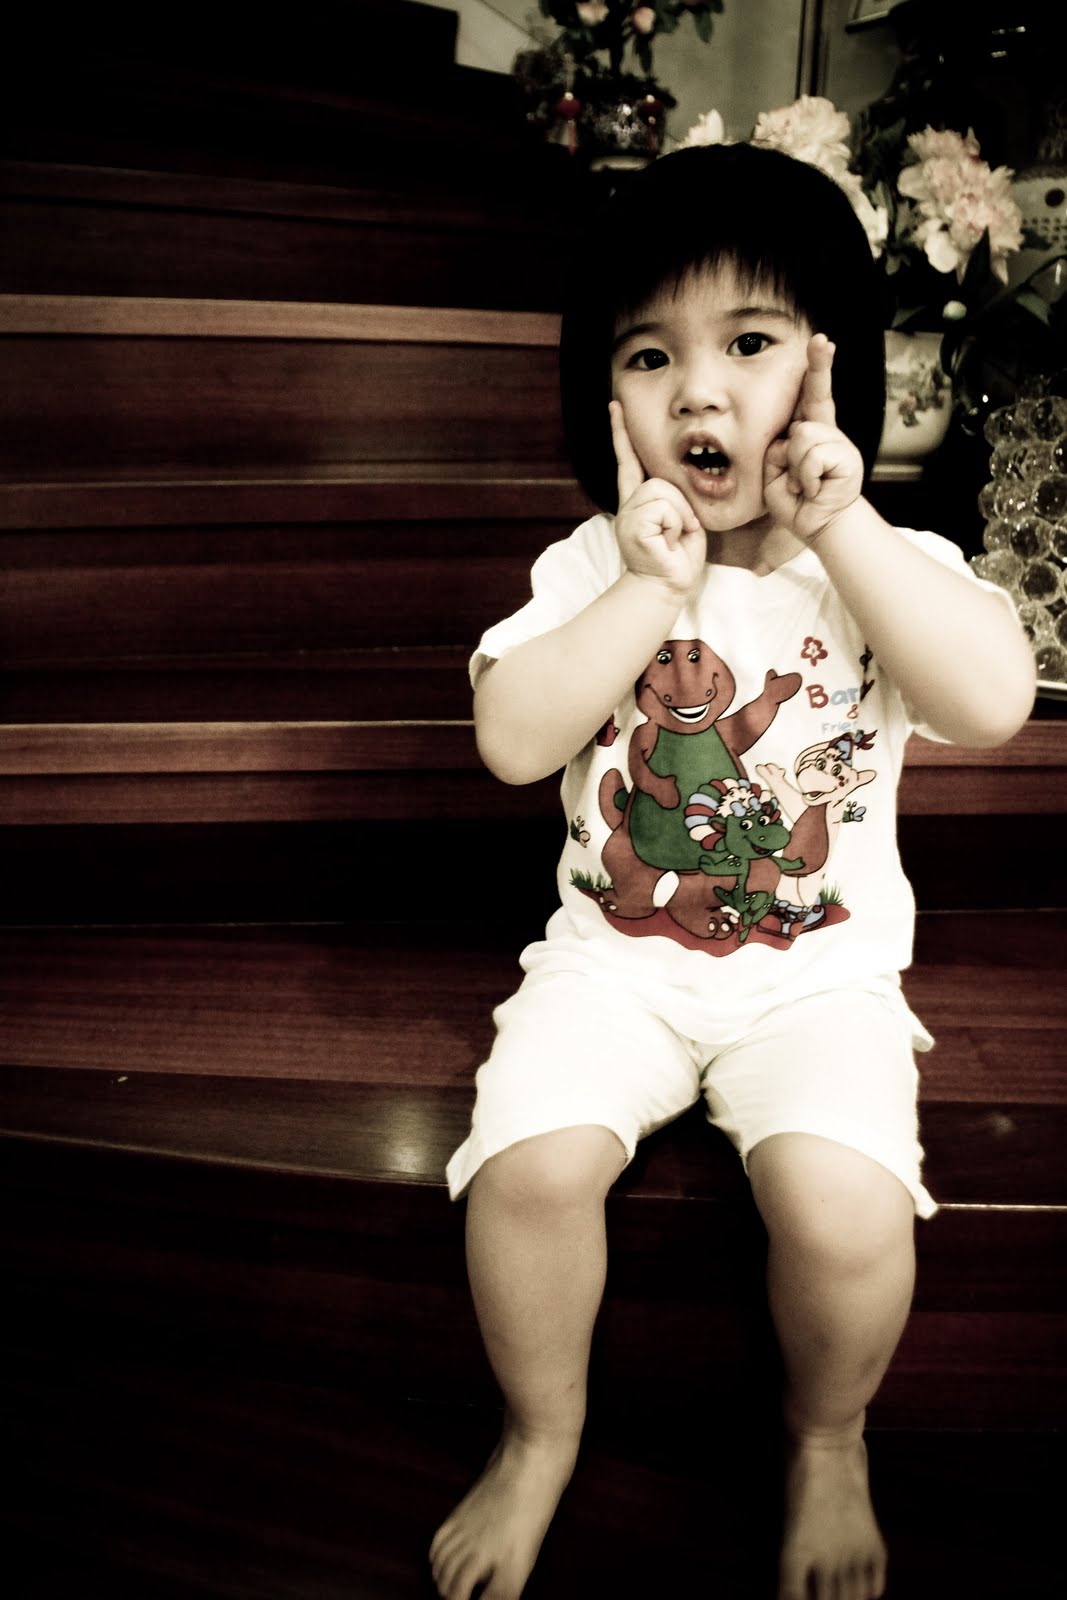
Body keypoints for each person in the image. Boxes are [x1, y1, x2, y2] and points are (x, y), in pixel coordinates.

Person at [428, 142, 1035, 1600]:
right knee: (526, 1174)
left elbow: (994, 701)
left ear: (829, 371)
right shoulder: (594, 567)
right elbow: (512, 741)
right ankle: (540, 1433)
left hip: (819, 982)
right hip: (614, 968)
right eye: (651, 357)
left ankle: (828, 1437)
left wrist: (844, 525)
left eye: (749, 345)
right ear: (606, 403)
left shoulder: (879, 559)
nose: (699, 393)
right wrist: (652, 586)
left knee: (844, 1212)